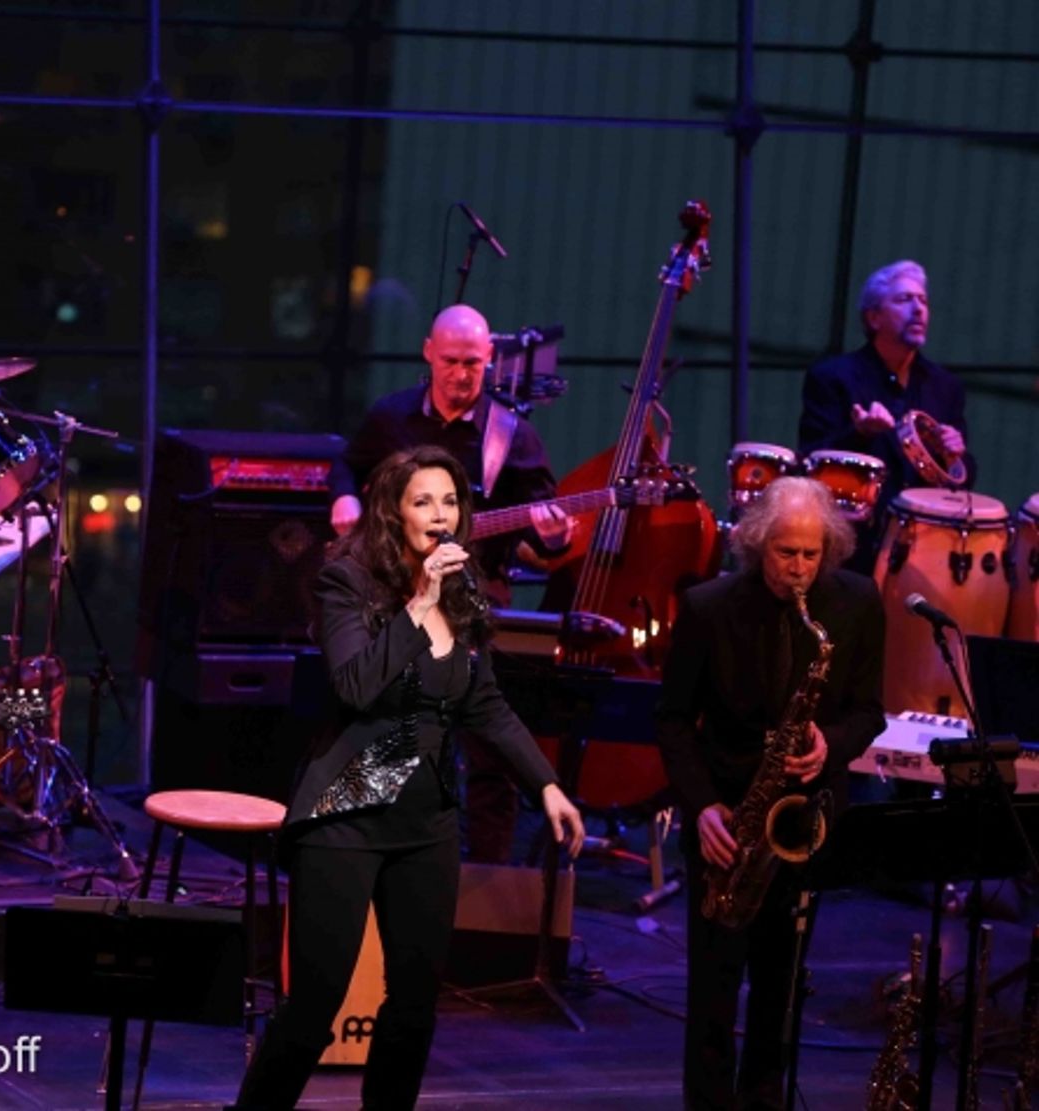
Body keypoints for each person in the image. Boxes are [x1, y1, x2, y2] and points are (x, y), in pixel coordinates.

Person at [232, 445, 584, 1111]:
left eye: (450, 500)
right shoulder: (346, 579)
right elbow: (358, 685)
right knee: (316, 1002)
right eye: (424, 500)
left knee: (416, 1002)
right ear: (393, 510)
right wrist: (420, 601)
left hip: (425, 820)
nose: (440, 514)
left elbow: (485, 703)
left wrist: (547, 784)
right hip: (346, 811)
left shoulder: (463, 585)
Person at [656, 476, 885, 1110]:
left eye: (812, 555)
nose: (800, 570)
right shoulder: (708, 608)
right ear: (758, 545)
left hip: (802, 822)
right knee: (713, 992)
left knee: (781, 989)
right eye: (787, 554)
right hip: (729, 818)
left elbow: (870, 711)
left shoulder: (859, 602)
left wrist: (829, 745)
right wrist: (703, 807)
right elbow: (673, 720)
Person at [328, 304, 574, 863]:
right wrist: (343, 496)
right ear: (428, 354)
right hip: (390, 591)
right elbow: (346, 464)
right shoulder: (390, 417)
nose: (463, 375)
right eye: (452, 362)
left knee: (488, 749)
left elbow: (543, 531)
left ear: (490, 361)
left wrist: (557, 539)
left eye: (474, 364)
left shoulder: (512, 435)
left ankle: (485, 881)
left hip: (474, 596)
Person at [798, 259, 973, 572]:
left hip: (924, 551)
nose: (918, 309)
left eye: (923, 301)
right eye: (904, 299)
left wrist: (954, 457)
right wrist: (860, 433)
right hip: (851, 549)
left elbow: (964, 479)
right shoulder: (833, 377)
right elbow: (810, 461)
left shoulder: (945, 387)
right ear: (874, 317)